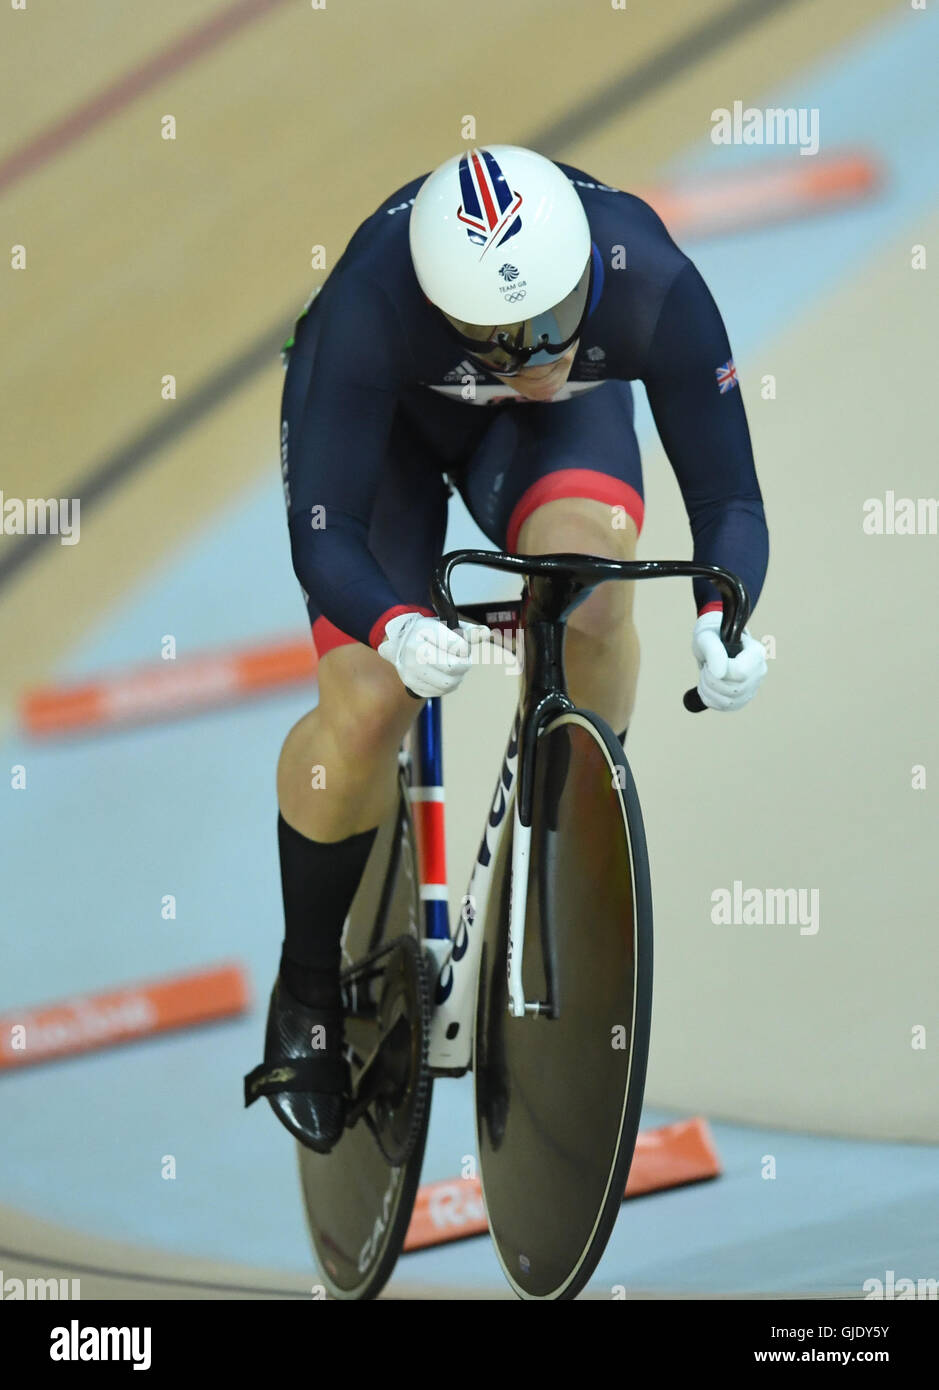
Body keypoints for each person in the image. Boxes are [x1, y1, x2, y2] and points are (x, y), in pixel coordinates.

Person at [244, 145, 769, 1152]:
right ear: (450, 313)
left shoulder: (648, 276)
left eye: (558, 322)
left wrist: (722, 613)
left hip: (539, 437)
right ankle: (306, 984)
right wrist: (394, 626)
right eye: (510, 338)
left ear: (587, 273)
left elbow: (731, 499)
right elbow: (327, 538)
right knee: (367, 703)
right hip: (387, 435)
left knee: (594, 589)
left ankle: (574, 818)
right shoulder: (369, 306)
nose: (543, 352)